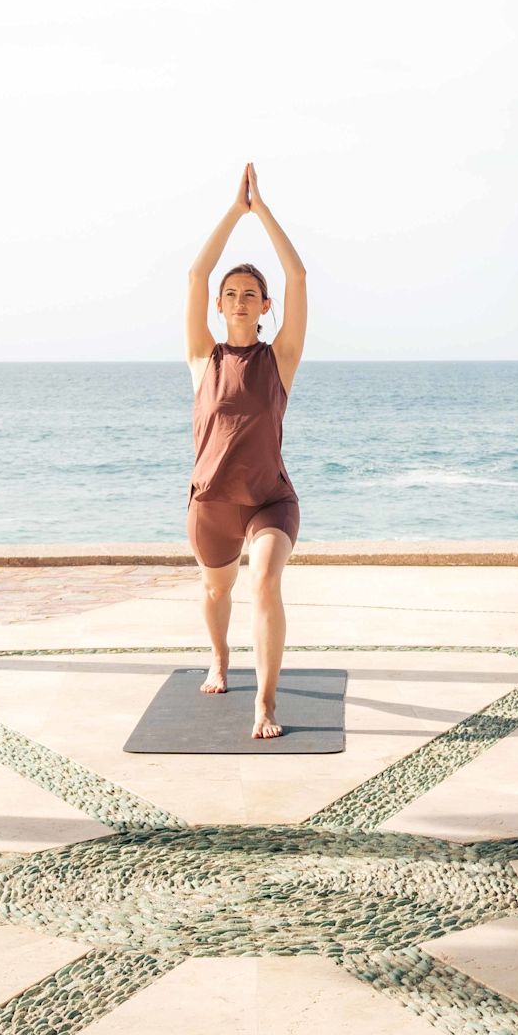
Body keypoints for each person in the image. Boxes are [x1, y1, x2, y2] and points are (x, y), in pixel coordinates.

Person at [182, 164, 310, 740]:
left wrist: (264, 212)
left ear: (264, 307)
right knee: (217, 590)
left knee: (264, 583)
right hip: (211, 503)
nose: (239, 300)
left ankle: (266, 703)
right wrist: (234, 211)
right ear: (218, 304)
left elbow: (299, 275)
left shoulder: (278, 361)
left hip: (269, 502)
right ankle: (219, 658)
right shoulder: (200, 359)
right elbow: (195, 272)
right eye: (230, 294)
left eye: (250, 295)